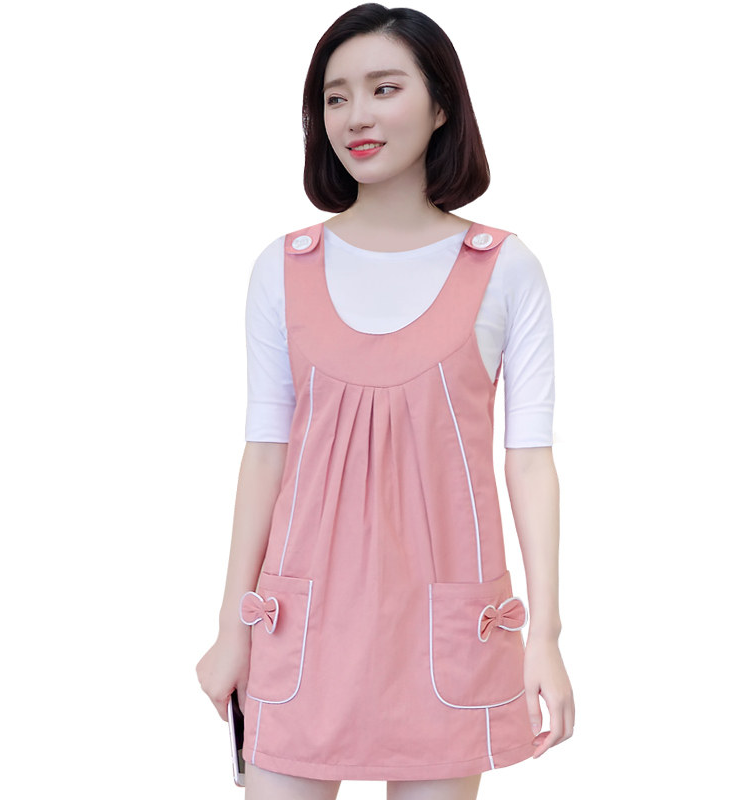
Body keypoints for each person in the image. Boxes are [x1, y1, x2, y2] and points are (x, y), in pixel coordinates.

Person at [196, 4, 574, 798]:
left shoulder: (506, 269)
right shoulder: (283, 268)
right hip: (301, 627)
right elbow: (265, 454)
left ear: (441, 106)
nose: (355, 116)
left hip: (445, 628)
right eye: (335, 97)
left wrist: (545, 633)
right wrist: (231, 627)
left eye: (384, 88)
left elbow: (530, 462)